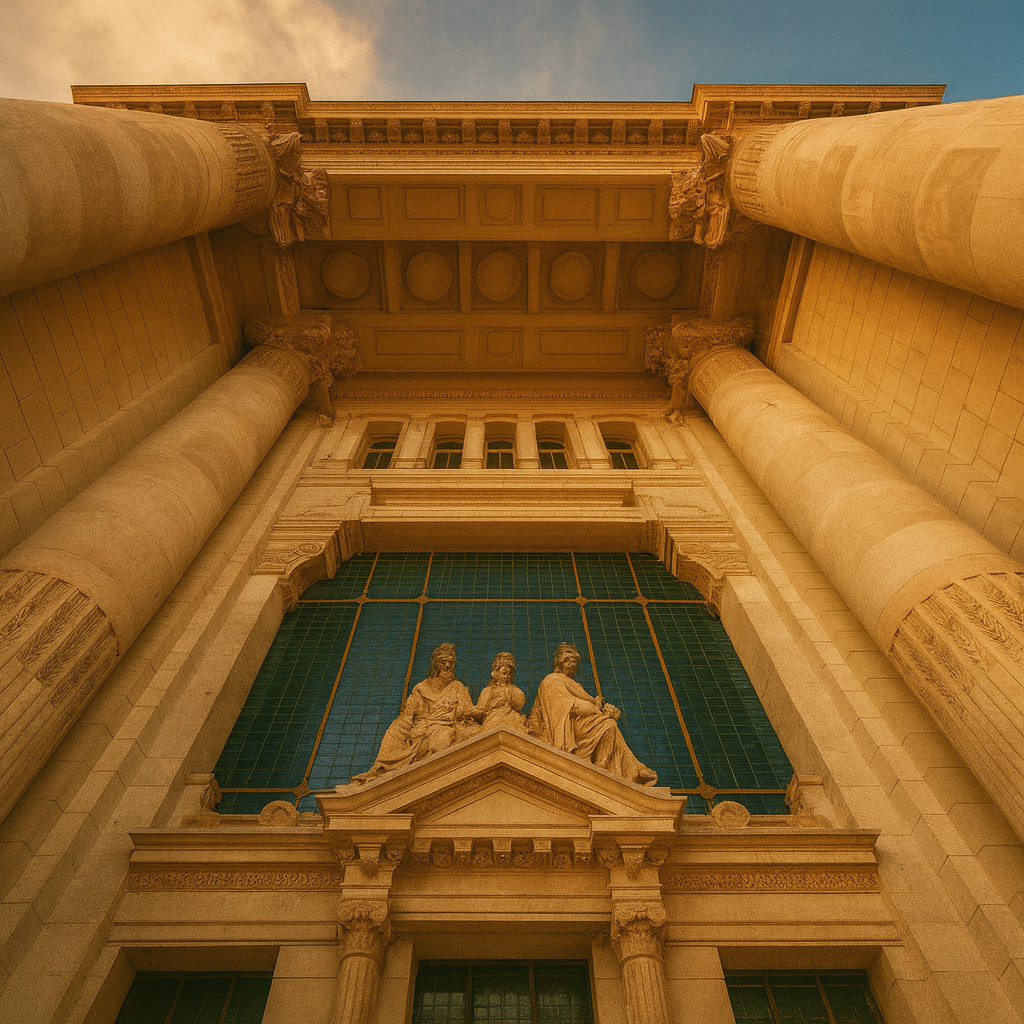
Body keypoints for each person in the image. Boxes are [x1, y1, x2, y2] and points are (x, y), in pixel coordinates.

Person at [528, 642, 657, 786]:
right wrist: (598, 711)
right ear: (559, 662)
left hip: (580, 724)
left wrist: (605, 709)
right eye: (568, 661)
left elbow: (587, 703)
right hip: (566, 729)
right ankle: (631, 769)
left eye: (574, 661)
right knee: (607, 724)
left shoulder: (573, 684)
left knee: (609, 725)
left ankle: (621, 767)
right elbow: (567, 706)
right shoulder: (552, 680)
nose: (572, 664)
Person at [352, 642, 477, 782]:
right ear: (436, 663)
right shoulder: (421, 689)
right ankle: (381, 767)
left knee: (446, 735)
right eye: (443, 662)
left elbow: (468, 711)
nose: (447, 666)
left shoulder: (458, 688)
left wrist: (490, 707)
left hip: (443, 729)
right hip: (421, 731)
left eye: (450, 662)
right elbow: (407, 718)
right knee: (393, 731)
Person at [474, 651, 529, 733]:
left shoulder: (515, 691)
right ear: (496, 671)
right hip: (494, 720)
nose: (507, 674)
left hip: (514, 721)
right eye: (504, 670)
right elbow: (480, 712)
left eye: (509, 671)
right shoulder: (488, 691)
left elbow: (519, 704)